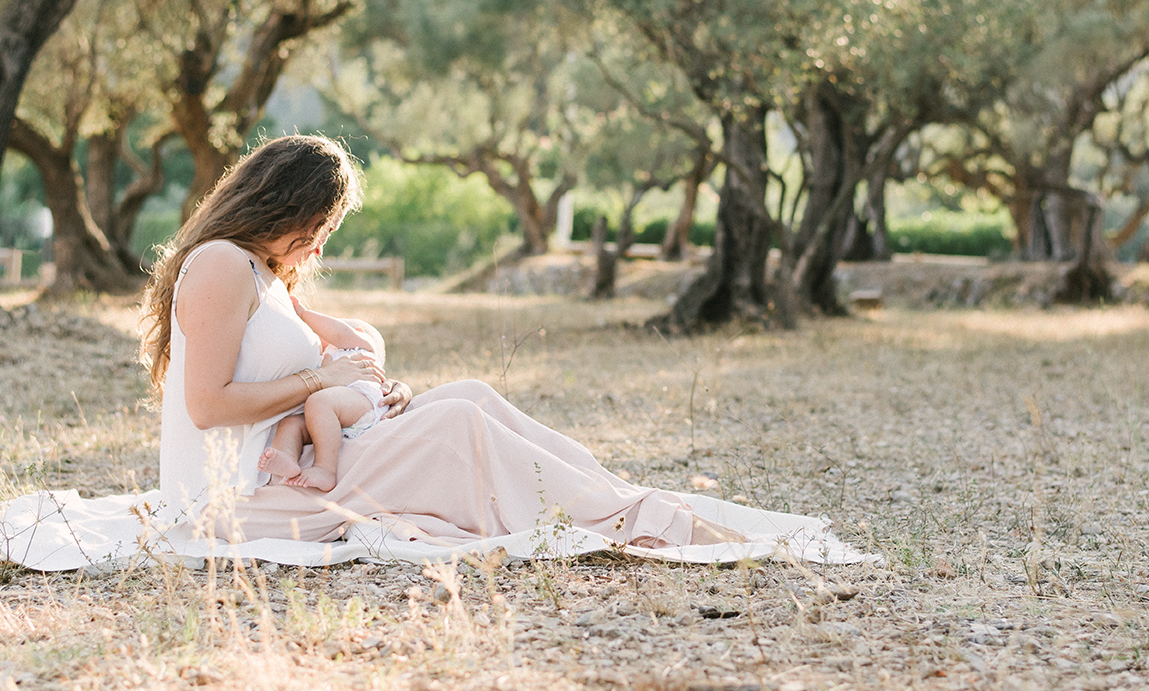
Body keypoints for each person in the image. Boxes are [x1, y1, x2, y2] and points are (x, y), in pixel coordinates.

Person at [139, 134, 752, 549]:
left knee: (471, 395)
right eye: (318, 228)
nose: (319, 247)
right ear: (279, 205)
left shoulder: (263, 273)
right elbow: (209, 405)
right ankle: (643, 525)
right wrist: (321, 383)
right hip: (238, 494)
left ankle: (627, 502)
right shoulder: (220, 262)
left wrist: (369, 397)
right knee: (456, 422)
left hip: (294, 460)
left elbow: (304, 381)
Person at [256, 294, 388, 491]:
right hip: (334, 415)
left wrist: (303, 314)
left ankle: (325, 470)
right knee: (292, 422)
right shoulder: (326, 357)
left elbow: (339, 333)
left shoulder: (359, 346)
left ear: (358, 332)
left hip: (361, 401)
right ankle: (286, 460)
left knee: (318, 402)